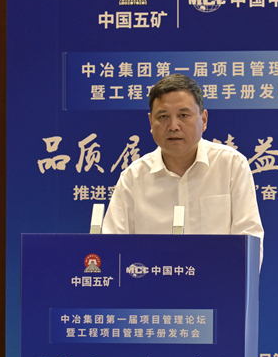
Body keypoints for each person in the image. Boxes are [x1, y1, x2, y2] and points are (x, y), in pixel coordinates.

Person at [102, 74, 263, 265]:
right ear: (151, 122)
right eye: (163, 117)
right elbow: (111, 246)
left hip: (216, 281)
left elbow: (249, 239)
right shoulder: (133, 178)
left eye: (183, 115)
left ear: (203, 119)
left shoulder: (231, 165)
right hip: (153, 282)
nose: (173, 126)